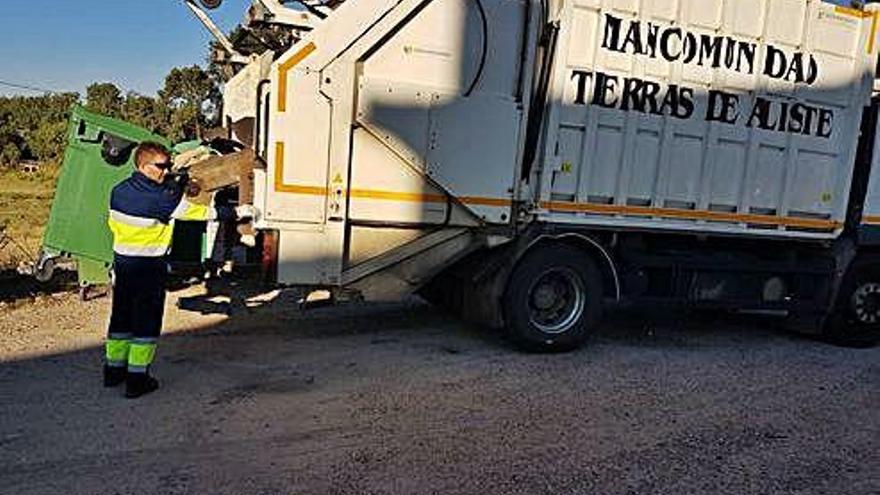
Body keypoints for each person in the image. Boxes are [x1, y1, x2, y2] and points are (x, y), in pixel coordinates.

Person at [103, 141, 256, 398]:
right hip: (148, 268)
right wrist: (238, 211)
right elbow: (201, 213)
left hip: (123, 265)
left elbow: (162, 194)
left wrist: (174, 184)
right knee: (146, 325)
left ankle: (113, 371)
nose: (165, 171)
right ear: (143, 166)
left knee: (121, 319)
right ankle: (137, 380)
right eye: (161, 166)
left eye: (167, 166)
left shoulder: (119, 191)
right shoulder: (160, 200)